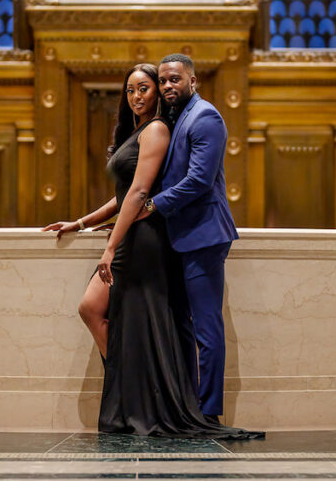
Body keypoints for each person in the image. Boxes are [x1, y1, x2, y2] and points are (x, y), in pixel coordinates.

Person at [43, 63, 260, 438]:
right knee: (102, 313)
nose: (139, 94)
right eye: (132, 89)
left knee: (197, 328)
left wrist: (116, 240)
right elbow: (124, 195)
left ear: (188, 81)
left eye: (149, 86)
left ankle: (200, 412)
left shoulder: (180, 123)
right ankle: (136, 392)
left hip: (171, 237)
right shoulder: (144, 130)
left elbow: (172, 186)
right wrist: (80, 224)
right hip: (141, 235)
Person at [140, 53, 238, 424]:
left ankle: (209, 414)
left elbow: (198, 181)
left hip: (204, 236)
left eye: (174, 80)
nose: (167, 86)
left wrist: (150, 205)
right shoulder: (174, 119)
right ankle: (187, 408)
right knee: (185, 326)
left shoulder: (205, 117)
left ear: (192, 81)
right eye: (163, 80)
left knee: (206, 327)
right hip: (182, 237)